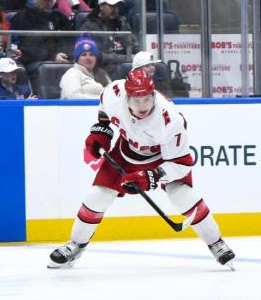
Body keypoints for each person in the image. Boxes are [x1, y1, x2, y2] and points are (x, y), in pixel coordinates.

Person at [47, 70, 235, 269]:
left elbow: (181, 164)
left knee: (183, 196)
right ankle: (76, 244)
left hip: (164, 156)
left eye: (147, 99)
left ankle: (216, 243)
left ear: (154, 95)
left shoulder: (170, 121)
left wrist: (151, 176)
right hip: (126, 149)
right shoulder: (114, 93)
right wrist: (102, 130)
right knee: (97, 196)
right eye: (136, 100)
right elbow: (104, 111)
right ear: (126, 98)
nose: (142, 105)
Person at [10, 0, 73, 72]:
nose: (48, 1)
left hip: (55, 58)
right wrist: (53, 57)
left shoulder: (57, 16)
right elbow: (28, 48)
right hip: (33, 62)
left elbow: (68, 39)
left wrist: (66, 54)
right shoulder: (22, 18)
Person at [80, 0, 140, 79]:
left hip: (125, 66)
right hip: (103, 69)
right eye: (111, 6)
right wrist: (126, 58)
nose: (115, 9)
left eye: (117, 6)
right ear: (101, 6)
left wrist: (139, 56)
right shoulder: (89, 26)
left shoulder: (122, 22)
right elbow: (98, 56)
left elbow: (134, 46)